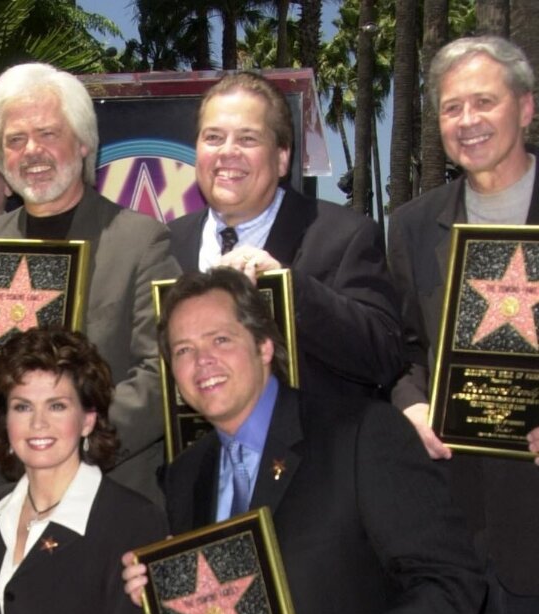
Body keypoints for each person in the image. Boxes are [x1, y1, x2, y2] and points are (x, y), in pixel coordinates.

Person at [122, 268, 485, 614]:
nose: (202, 361)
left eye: (220, 340)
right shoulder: (185, 475)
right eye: (184, 350)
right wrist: (164, 595)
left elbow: (450, 583)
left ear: (263, 346)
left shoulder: (362, 434)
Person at [0, 62, 182, 503]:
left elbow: (161, 372)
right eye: (14, 140)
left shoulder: (140, 241)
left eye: (48, 133)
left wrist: (71, 446)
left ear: (84, 141)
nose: (32, 151)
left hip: (108, 493)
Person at [388, 35, 539, 614]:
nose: (468, 121)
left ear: (526, 109)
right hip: (458, 529)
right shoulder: (414, 226)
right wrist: (414, 404)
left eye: (485, 101)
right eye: (452, 108)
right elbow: (401, 349)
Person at [167, 71, 403, 400]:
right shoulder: (165, 244)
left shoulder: (345, 236)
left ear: (281, 158)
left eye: (248, 139)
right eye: (214, 137)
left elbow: (385, 356)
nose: (228, 152)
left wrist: (288, 290)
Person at [0, 327, 166, 614]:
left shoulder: (133, 522)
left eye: (57, 406)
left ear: (88, 419)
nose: (38, 423)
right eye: (22, 406)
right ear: (5, 420)